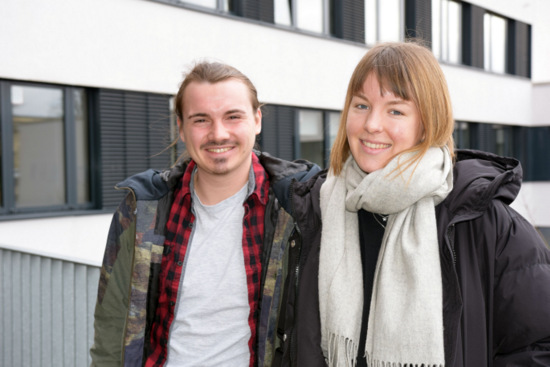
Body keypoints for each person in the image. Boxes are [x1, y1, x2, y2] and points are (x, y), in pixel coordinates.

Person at [281, 42, 550, 366]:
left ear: (427, 123)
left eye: (395, 110)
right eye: (361, 105)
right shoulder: (316, 211)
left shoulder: (480, 221)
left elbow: (538, 344)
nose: (371, 125)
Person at [89, 61, 322, 366]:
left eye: (233, 116)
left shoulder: (299, 206)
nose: (218, 133)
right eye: (201, 120)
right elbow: (111, 326)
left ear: (257, 120)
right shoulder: (144, 208)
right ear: (182, 129)